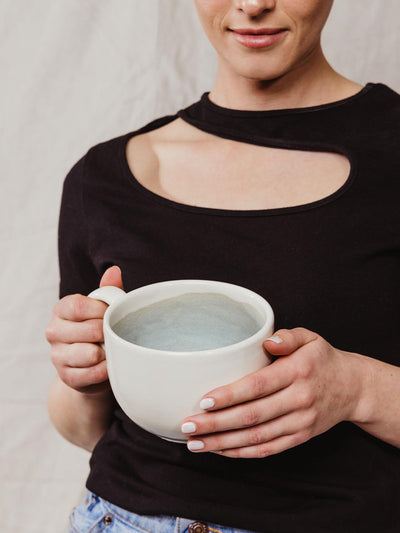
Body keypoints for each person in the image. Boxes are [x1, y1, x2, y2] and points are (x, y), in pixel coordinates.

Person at [45, 1, 400, 532]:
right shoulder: (102, 178)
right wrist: (86, 372)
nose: (253, 3)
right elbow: (83, 429)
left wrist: (357, 389)